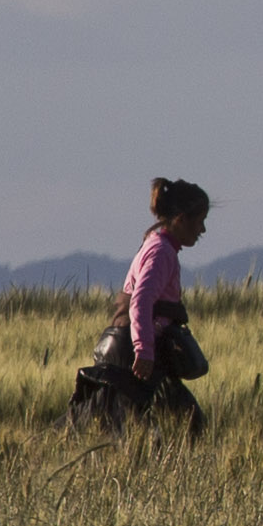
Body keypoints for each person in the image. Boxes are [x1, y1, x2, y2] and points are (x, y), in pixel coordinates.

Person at [70, 174, 213, 435]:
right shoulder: (161, 252)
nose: (202, 230)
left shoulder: (159, 247)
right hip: (138, 360)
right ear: (181, 219)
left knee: (158, 430)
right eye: (200, 221)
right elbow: (141, 301)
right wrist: (144, 350)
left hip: (139, 357)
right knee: (184, 429)